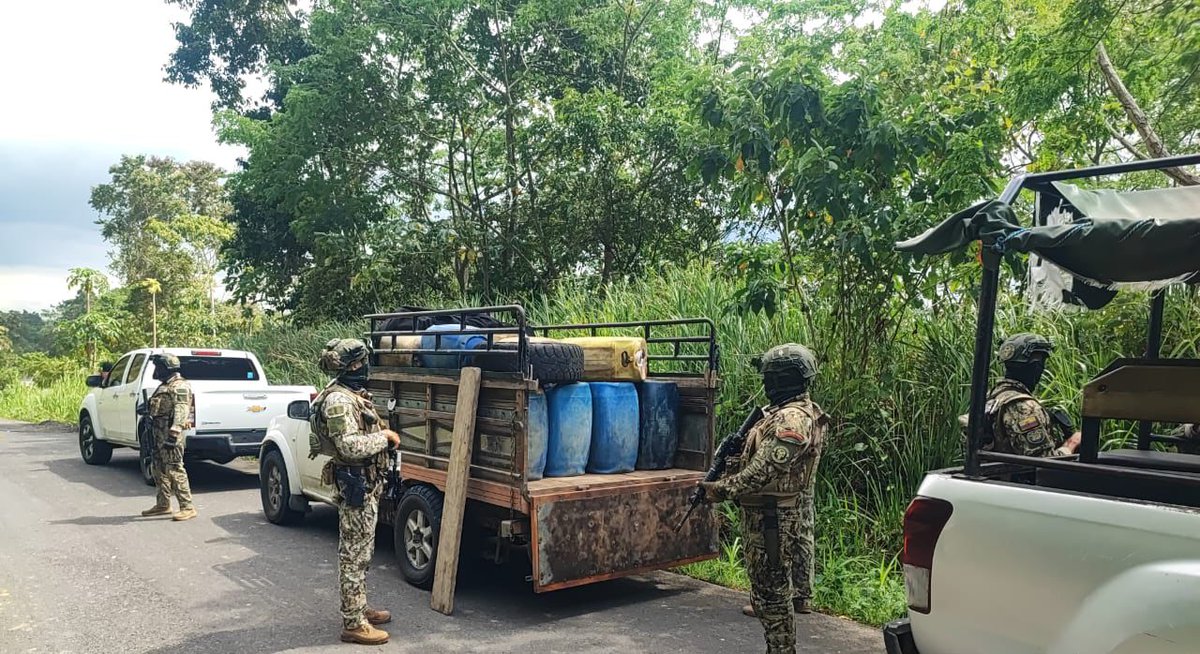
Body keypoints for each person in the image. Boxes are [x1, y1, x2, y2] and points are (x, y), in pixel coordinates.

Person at [699, 344, 828, 654]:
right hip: (767, 517)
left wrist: (719, 490)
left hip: (773, 520)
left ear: (782, 379)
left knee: (773, 596)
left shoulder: (791, 420)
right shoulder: (786, 413)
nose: (766, 384)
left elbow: (763, 471)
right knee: (769, 593)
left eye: (769, 378)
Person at [309, 338, 401, 646]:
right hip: (355, 485)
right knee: (353, 556)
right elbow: (348, 446)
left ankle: (359, 607)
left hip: (364, 483)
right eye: (363, 362)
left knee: (363, 553)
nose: (367, 367)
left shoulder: (349, 394)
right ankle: (353, 622)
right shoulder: (339, 400)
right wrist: (384, 438)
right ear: (354, 365)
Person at [986, 333, 1081, 457]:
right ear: (1036, 366)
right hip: (1015, 470)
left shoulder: (993, 396)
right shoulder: (1024, 407)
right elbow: (1044, 461)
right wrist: (1071, 444)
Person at [140, 354, 197, 521]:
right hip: (157, 434)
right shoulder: (165, 385)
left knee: (175, 469)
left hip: (170, 435)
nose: (156, 371)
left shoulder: (179, 386)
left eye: (159, 367)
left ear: (167, 368)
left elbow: (181, 410)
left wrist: (174, 433)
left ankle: (187, 507)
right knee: (158, 468)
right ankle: (163, 504)